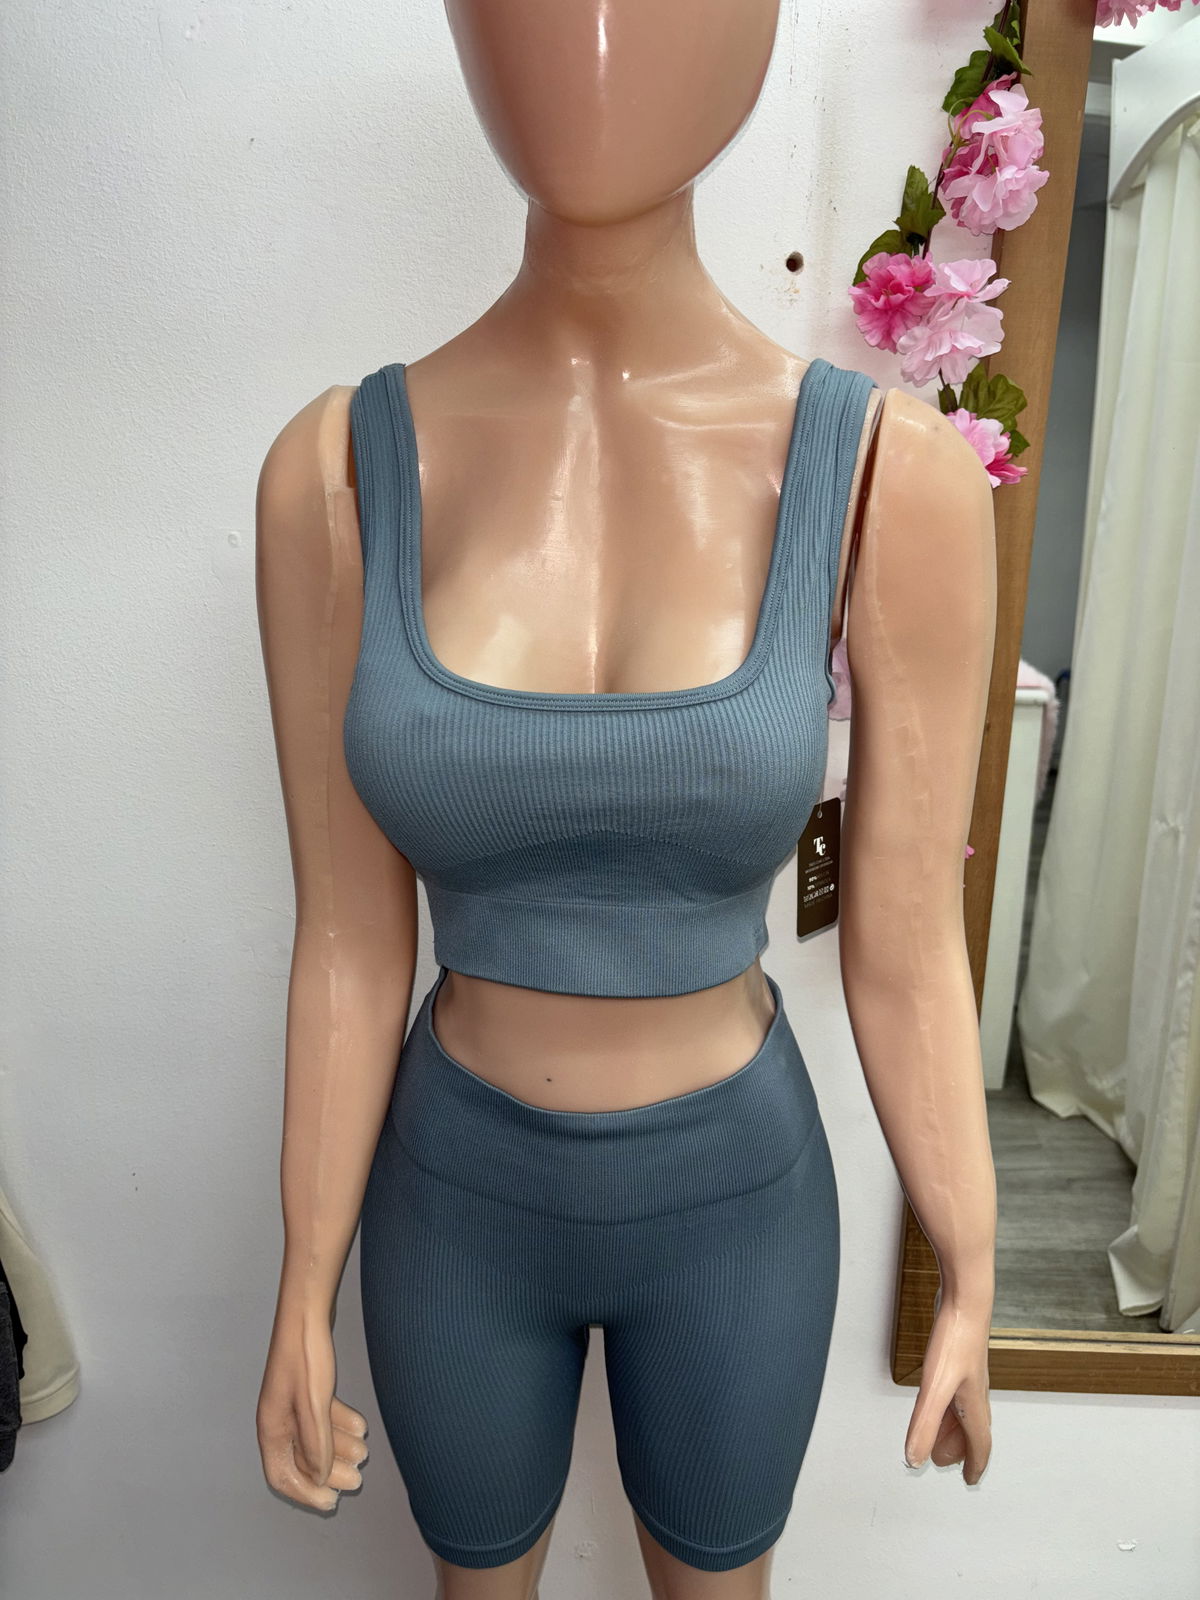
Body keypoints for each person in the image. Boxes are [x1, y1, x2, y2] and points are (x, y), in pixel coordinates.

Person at [254, 2, 998, 1596]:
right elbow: (347, 938)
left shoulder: (890, 474)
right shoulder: (338, 470)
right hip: (454, 1201)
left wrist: (973, 1258)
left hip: (737, 1207)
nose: (586, 33)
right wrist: (303, 1280)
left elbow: (906, 940)